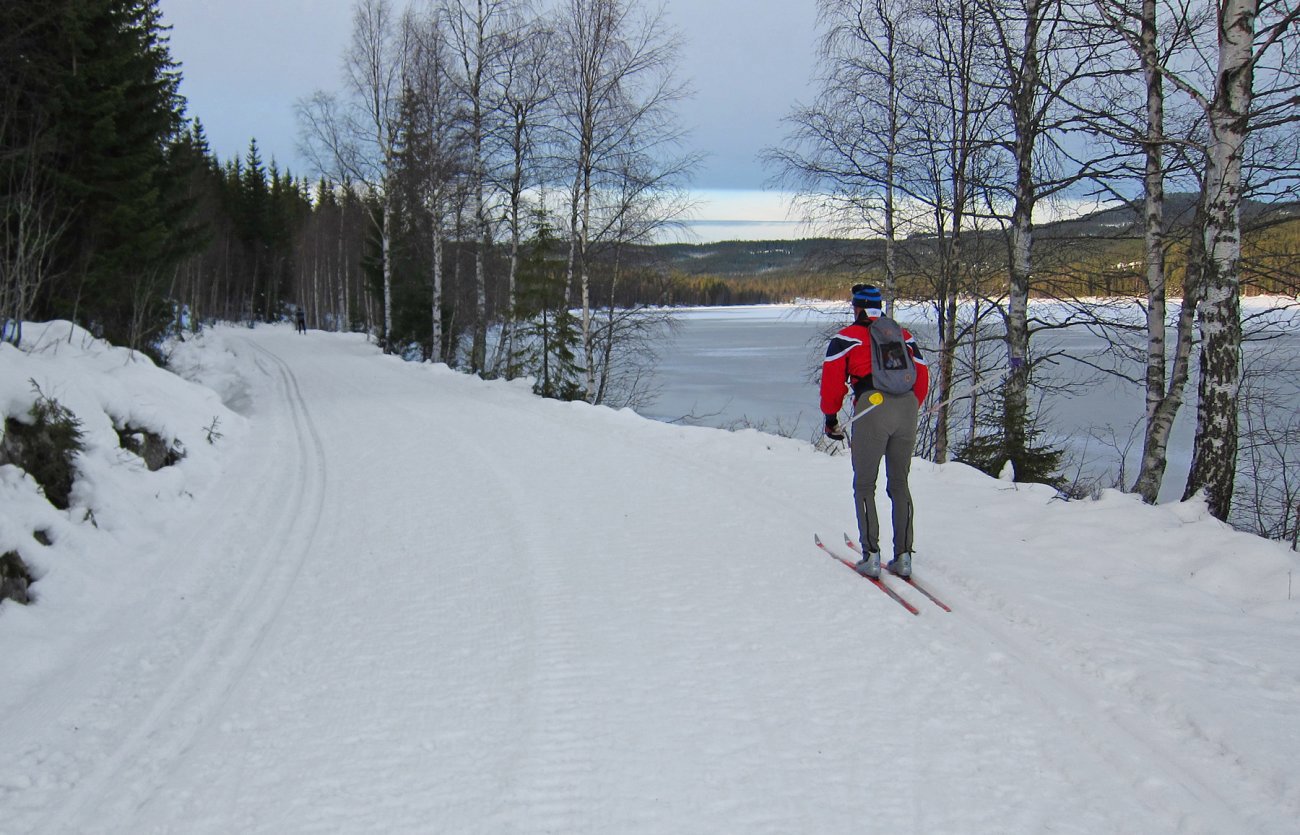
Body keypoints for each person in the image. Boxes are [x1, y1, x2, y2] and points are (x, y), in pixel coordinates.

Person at [821, 284, 929, 578]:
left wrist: (830, 418)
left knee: (865, 485)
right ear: (879, 308)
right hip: (906, 407)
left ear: (856, 308)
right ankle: (904, 557)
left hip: (872, 406)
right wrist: (909, 408)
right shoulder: (904, 336)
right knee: (899, 484)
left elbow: (832, 383)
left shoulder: (847, 338)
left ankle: (871, 555)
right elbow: (922, 375)